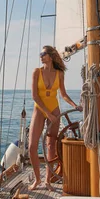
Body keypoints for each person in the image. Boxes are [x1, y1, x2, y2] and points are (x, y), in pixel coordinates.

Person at [29, 45, 82, 191]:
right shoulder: (36, 72)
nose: (40, 56)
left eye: (43, 53)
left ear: (51, 56)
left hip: (55, 109)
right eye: (40, 53)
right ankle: (37, 179)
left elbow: (63, 94)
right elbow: (35, 96)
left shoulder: (59, 73)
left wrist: (74, 105)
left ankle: (48, 181)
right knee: (32, 146)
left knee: (51, 145)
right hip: (40, 109)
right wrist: (48, 114)